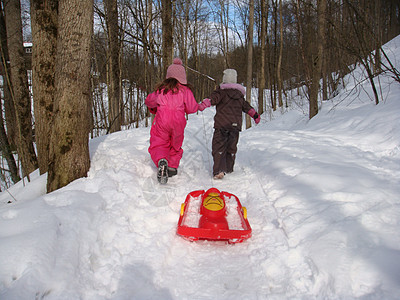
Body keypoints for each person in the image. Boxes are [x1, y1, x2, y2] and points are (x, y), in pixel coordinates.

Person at [145, 58, 210, 183]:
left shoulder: (161, 90)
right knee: (175, 144)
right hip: (178, 123)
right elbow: (192, 108)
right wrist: (200, 105)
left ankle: (161, 160)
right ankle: (172, 167)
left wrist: (153, 107)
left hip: (162, 122)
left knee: (159, 142)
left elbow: (149, 100)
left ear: (168, 76)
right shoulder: (185, 91)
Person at [205, 68, 260, 180]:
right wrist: (254, 115)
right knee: (231, 147)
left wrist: (205, 103)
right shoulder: (239, 95)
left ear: (224, 80)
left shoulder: (221, 92)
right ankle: (229, 168)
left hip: (221, 125)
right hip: (235, 126)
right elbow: (246, 107)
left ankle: (219, 171)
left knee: (218, 146)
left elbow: (213, 99)